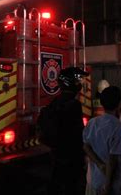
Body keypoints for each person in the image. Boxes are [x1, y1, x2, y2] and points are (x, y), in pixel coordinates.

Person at [40, 66, 88, 195]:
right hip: (71, 155)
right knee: (71, 185)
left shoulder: (55, 102)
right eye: (78, 80)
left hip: (58, 153)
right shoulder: (73, 104)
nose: (80, 83)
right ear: (70, 83)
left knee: (57, 183)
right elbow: (78, 133)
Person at [83, 86, 121, 195]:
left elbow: (86, 146)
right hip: (109, 183)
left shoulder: (92, 123)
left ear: (101, 103)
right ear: (119, 104)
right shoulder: (118, 127)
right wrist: (107, 186)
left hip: (92, 180)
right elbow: (112, 159)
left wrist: (99, 163)